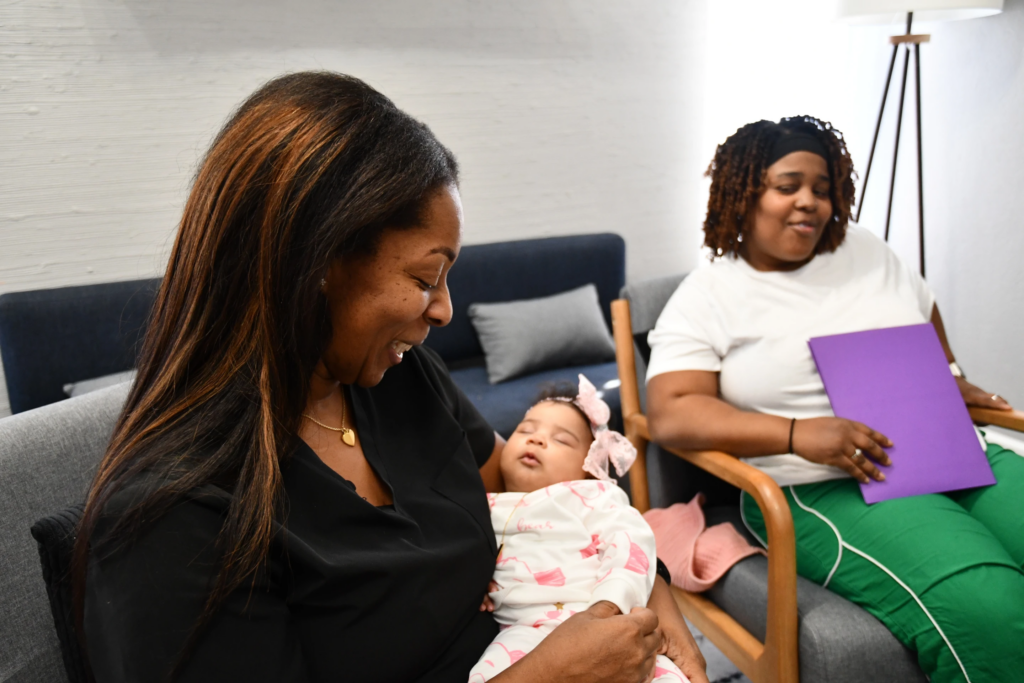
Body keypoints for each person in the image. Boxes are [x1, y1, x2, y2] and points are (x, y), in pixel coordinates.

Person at [73, 71, 706, 683]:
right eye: (425, 278)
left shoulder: (401, 378)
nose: (445, 309)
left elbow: (529, 505)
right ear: (316, 261)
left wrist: (641, 573)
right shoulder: (175, 518)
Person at [645, 115, 1024, 683]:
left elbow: (923, 320)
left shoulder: (867, 250)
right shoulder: (711, 292)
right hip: (824, 483)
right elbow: (671, 410)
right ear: (743, 193)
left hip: (950, 449)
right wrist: (799, 432)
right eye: (787, 186)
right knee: (989, 609)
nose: (809, 203)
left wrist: (953, 378)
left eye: (822, 190)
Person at [469, 376, 703, 683]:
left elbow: (631, 545)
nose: (536, 439)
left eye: (562, 440)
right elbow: (460, 549)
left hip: (608, 621)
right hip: (523, 632)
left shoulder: (592, 497)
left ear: (588, 468)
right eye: (525, 430)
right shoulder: (483, 506)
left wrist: (609, 605)